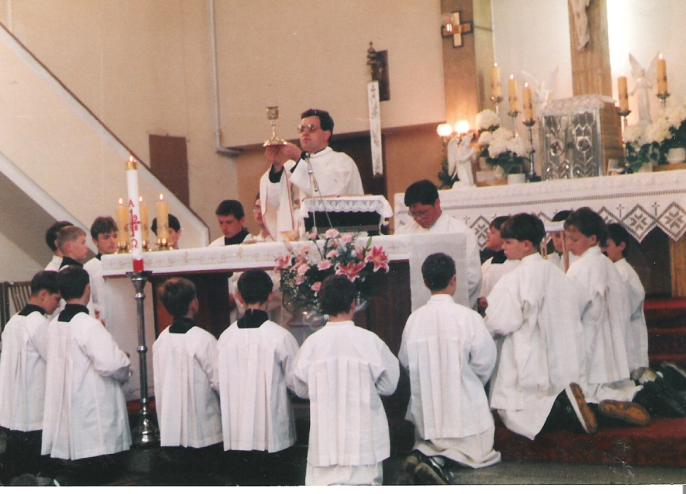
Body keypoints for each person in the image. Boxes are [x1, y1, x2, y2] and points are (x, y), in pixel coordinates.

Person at [485, 213, 597, 440]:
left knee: (513, 412)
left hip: (529, 360)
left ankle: (561, 409)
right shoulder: (558, 273)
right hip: (562, 357)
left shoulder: (513, 279)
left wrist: (485, 324)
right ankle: (578, 404)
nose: (503, 247)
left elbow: (502, 322)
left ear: (526, 245)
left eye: (508, 242)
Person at [400, 253, 500, 485]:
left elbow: (406, 362)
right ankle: (439, 460)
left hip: (429, 420)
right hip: (465, 414)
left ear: (425, 282)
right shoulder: (468, 317)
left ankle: (428, 455)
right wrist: (468, 381)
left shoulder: (414, 320)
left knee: (430, 441)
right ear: (454, 280)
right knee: (478, 451)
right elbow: (485, 361)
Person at [289, 275, 399, 485]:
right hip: (363, 444)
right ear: (354, 303)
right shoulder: (370, 341)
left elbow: (300, 389)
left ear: (322, 305)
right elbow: (389, 385)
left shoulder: (312, 344)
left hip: (325, 444)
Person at [564, 208, 650, 425]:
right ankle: (628, 398)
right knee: (610, 383)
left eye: (574, 239)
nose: (569, 245)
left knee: (586, 386)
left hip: (590, 335)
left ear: (593, 239)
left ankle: (598, 407)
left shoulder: (580, 268)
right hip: (612, 338)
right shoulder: (608, 265)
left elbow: (570, 308)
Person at [41, 266, 131, 463]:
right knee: (97, 453)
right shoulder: (87, 324)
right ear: (88, 289)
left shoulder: (54, 324)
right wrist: (125, 360)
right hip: (91, 405)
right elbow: (111, 364)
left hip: (69, 403)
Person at [217, 271, 299, 481]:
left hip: (237, 432)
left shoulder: (226, 337)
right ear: (270, 296)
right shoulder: (280, 336)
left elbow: (218, 382)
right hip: (273, 433)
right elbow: (295, 381)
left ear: (239, 297)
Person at [0, 271, 60, 481]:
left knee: (15, 463)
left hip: (12, 406)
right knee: (33, 466)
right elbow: (55, 358)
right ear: (43, 295)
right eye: (56, 299)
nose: (57, 305)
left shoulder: (13, 320)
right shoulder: (39, 323)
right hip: (33, 407)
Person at [153, 278, 222, 455]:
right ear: (194, 304)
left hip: (171, 428)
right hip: (204, 431)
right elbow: (220, 381)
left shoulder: (161, 340)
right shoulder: (204, 339)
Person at [396, 179, 482, 308]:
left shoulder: (461, 233)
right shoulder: (404, 233)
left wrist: (443, 303)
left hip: (452, 308)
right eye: (413, 214)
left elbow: (472, 277)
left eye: (423, 213)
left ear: (437, 203)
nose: (418, 219)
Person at [278, 108, 364, 200]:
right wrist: (276, 166)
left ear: (326, 134)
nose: (305, 133)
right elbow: (274, 199)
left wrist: (299, 158)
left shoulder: (342, 161)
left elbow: (327, 195)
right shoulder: (292, 164)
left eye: (311, 128)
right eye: (301, 129)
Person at [258, 145, 298, 241]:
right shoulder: (287, 169)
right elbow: (273, 202)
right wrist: (277, 167)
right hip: (287, 228)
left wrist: (298, 156)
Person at [83, 216, 118, 325]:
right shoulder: (89, 268)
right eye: (106, 237)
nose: (112, 241)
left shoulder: (124, 264)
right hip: (102, 320)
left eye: (115, 236)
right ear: (95, 241)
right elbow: (88, 300)